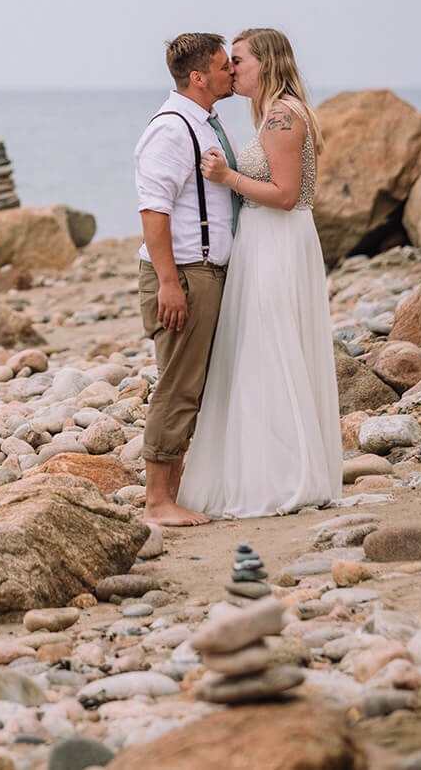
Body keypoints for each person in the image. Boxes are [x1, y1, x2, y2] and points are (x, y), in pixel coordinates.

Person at [177, 27, 342, 519]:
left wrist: (228, 178)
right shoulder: (272, 114)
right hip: (265, 241)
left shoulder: (283, 115)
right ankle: (266, 468)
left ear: (266, 63)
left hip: (278, 241)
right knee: (261, 351)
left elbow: (288, 196)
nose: (232, 69)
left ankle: (284, 477)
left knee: (271, 350)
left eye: (240, 60)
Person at [133, 32, 243, 526]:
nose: (232, 72)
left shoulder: (207, 123)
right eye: (223, 66)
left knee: (192, 386)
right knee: (177, 386)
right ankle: (157, 502)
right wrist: (169, 282)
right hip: (183, 275)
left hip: (204, 273)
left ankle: (173, 492)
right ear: (198, 77)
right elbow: (153, 211)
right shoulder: (172, 129)